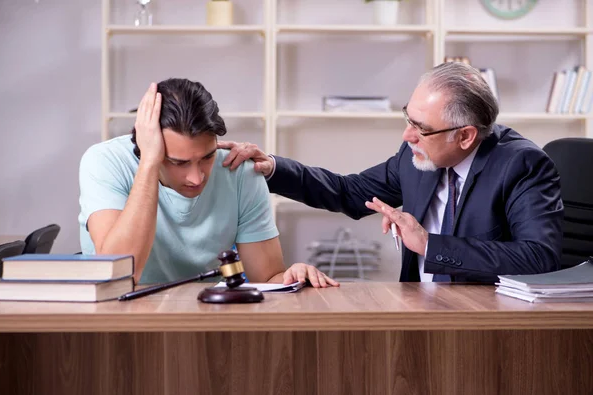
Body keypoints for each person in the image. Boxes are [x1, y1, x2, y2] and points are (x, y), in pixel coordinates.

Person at [218, 62, 564, 283]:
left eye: (421, 128)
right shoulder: (417, 154)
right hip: (417, 309)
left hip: (490, 319)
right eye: (408, 119)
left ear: (466, 136)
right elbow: (349, 192)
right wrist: (274, 168)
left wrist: (429, 245)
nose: (407, 135)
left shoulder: (521, 165)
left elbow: (539, 255)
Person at [78, 78, 338, 288]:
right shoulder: (103, 162)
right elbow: (120, 273)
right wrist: (149, 163)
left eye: (207, 157)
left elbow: (267, 280)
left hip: (205, 319)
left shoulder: (239, 171)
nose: (196, 178)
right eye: (178, 163)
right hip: (116, 319)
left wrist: (294, 277)